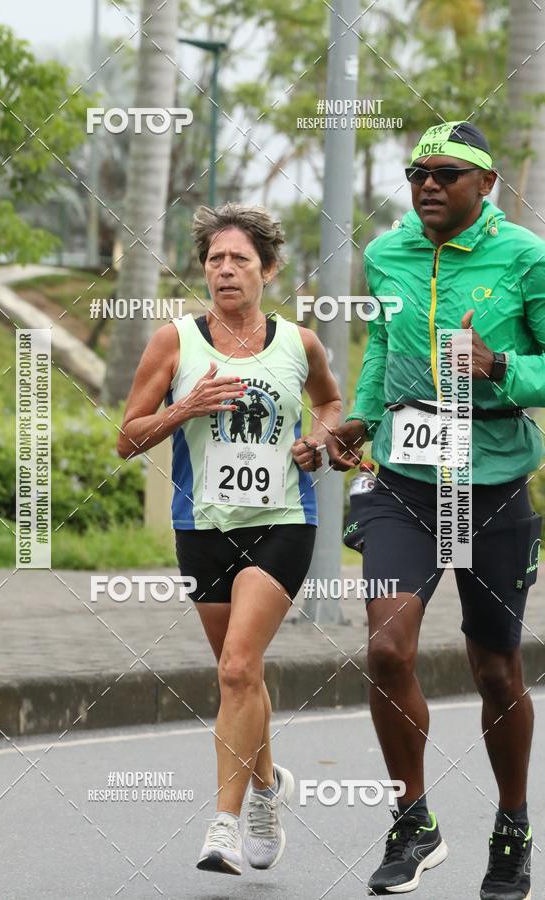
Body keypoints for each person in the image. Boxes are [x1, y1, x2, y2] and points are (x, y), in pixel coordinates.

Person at [327, 121, 544, 899]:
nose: (426, 185)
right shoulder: (387, 254)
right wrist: (360, 415)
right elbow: (383, 350)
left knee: (495, 667)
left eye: (446, 174)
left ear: (485, 186)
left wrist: (501, 365)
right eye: (418, 171)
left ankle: (513, 825)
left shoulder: (524, 256)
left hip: (492, 486)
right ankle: (414, 821)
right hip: (408, 482)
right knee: (387, 650)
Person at [117, 203, 341, 877]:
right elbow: (127, 438)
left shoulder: (297, 343)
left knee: (239, 668)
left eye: (239, 258)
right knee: (238, 677)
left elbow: (332, 403)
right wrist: (182, 409)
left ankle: (225, 825)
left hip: (282, 523)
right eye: (215, 259)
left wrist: (320, 440)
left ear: (268, 268)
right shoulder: (174, 342)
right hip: (203, 529)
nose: (225, 270)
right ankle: (270, 789)